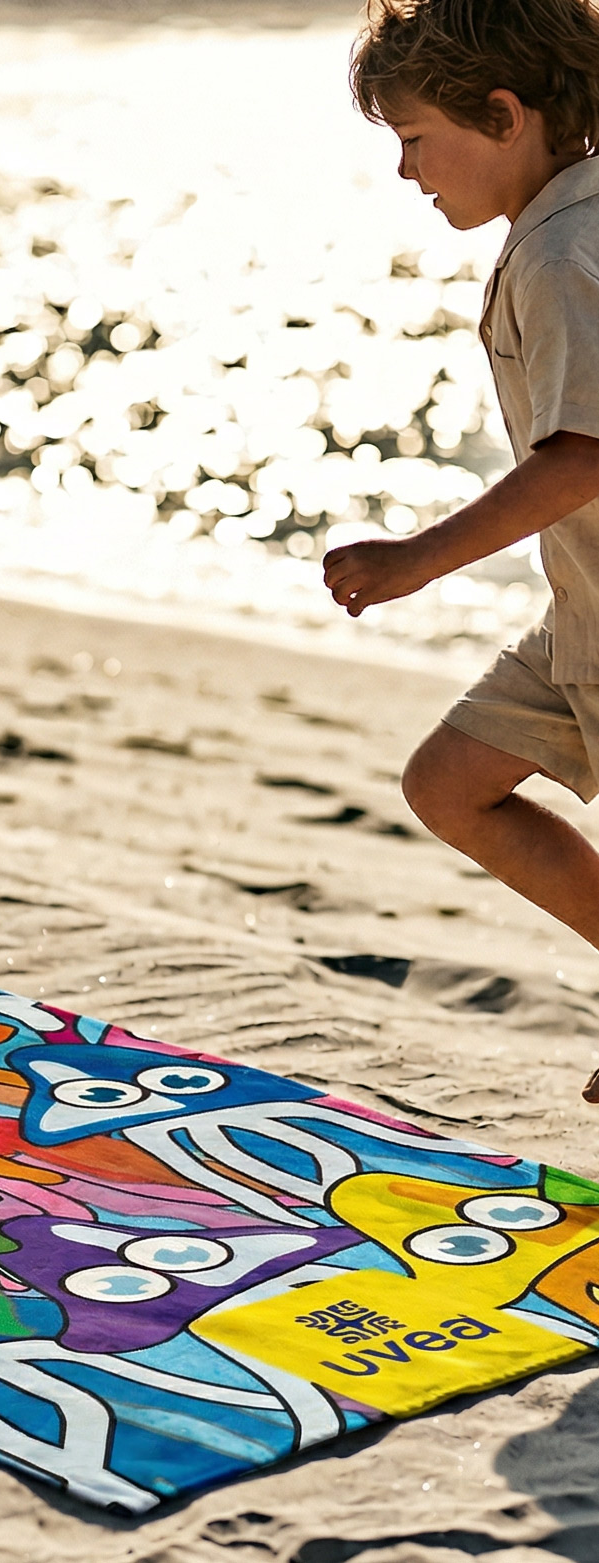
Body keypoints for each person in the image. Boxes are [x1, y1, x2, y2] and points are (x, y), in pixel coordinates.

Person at [323, 0, 599, 1100]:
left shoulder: (562, 251)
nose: (405, 172)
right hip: (578, 617)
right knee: (449, 783)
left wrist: (411, 561)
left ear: (500, 113)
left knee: (448, 786)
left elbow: (581, 455)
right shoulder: (562, 225)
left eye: (412, 140)